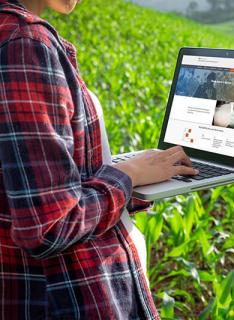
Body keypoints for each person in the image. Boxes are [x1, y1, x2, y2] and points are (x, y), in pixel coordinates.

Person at [0, 0, 198, 318]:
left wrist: (130, 175)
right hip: (68, 298)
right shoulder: (25, 44)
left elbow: (20, 189)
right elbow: (49, 226)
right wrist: (128, 174)